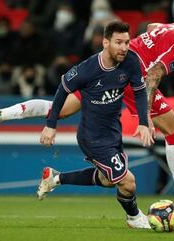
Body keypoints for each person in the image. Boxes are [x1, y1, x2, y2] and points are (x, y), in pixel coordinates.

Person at [0, 21, 174, 216]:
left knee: (61, 109)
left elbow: (154, 27)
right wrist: (146, 115)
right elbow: (153, 74)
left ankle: (0, 115)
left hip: (115, 66)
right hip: (133, 76)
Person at [39, 21, 153, 228]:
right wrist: (51, 124)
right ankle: (135, 218)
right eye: (118, 42)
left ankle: (55, 178)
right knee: (128, 183)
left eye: (127, 42)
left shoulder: (131, 62)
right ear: (105, 42)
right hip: (92, 138)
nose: (124, 47)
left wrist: (144, 122)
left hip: (113, 134)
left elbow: (139, 91)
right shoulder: (88, 69)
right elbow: (62, 88)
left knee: (109, 179)